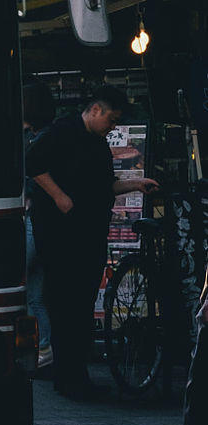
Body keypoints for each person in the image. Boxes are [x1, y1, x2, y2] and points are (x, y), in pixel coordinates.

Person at [27, 86, 158, 401]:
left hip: (89, 235)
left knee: (81, 306)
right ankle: (69, 378)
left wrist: (135, 184)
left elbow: (105, 185)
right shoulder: (61, 132)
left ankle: (74, 376)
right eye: (111, 119)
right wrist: (59, 196)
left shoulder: (98, 144)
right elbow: (32, 164)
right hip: (62, 237)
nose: (112, 126)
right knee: (65, 306)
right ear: (96, 110)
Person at [23, 80, 56, 370]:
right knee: (35, 293)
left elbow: (31, 179)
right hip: (44, 224)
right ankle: (45, 346)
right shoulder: (50, 135)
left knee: (29, 291)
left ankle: (45, 345)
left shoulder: (37, 141)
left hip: (32, 222)